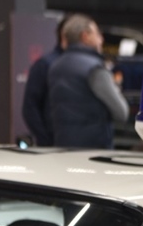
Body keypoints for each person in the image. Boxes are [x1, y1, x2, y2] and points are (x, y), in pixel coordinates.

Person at [48, 14, 129, 148]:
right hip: (94, 150)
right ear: (85, 36)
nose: (101, 39)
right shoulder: (95, 69)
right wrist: (115, 88)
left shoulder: (56, 66)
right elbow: (122, 112)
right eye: (97, 34)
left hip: (62, 146)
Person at [22, 15, 69, 146]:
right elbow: (30, 106)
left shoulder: (87, 65)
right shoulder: (45, 64)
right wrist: (45, 139)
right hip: (53, 142)